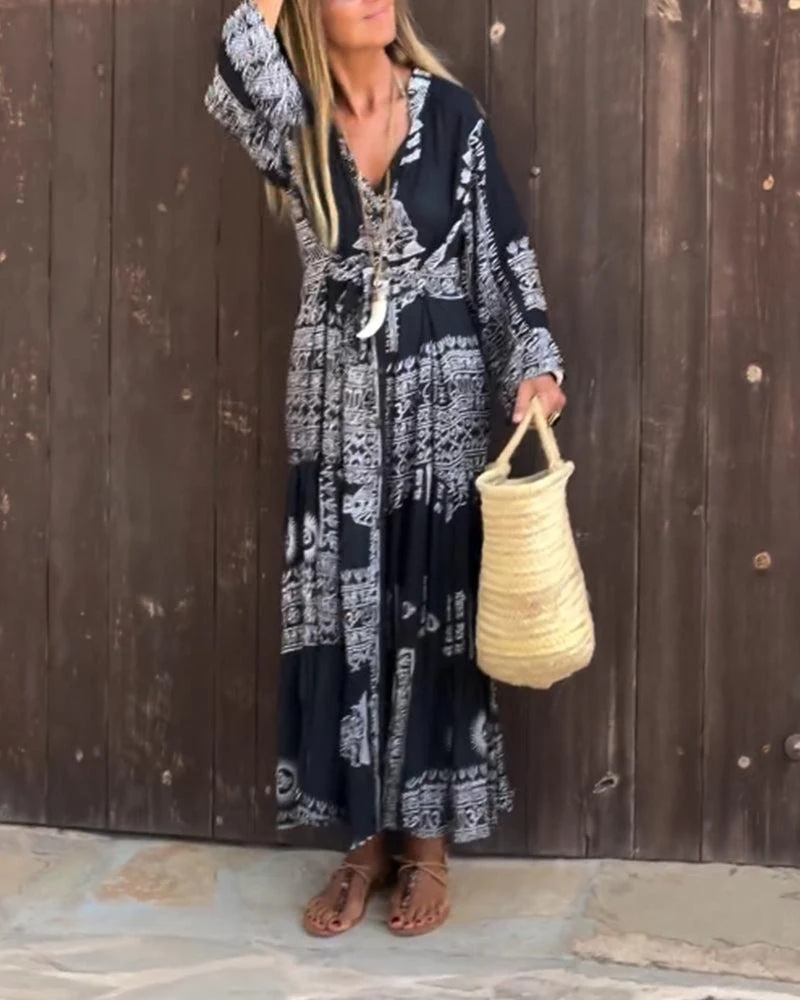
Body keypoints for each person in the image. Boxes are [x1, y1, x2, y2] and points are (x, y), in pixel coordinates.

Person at [205, 0, 566, 938]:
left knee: (432, 604)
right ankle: (362, 844)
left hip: (442, 396)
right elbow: (237, 63)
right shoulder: (292, 122)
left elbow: (502, 253)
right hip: (332, 399)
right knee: (340, 602)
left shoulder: (451, 114)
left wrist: (532, 363)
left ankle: (428, 846)